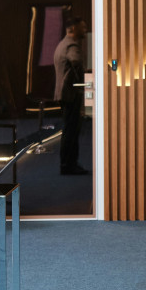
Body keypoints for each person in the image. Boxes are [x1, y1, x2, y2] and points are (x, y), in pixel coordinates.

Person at [53, 16, 89, 175]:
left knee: (69, 129)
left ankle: (68, 164)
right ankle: (68, 164)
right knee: (72, 130)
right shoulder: (72, 46)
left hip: (65, 93)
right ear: (73, 28)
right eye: (82, 27)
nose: (85, 30)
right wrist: (85, 80)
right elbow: (76, 63)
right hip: (71, 93)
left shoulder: (62, 44)